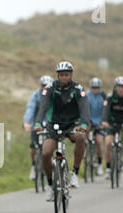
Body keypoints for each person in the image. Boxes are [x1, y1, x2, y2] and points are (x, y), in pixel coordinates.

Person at [34, 61, 90, 201]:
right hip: (54, 124)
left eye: (67, 75)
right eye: (61, 75)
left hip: (72, 124)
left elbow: (84, 106)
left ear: (71, 75)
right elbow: (43, 105)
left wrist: (84, 123)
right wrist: (38, 122)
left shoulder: (78, 88)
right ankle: (50, 185)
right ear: (58, 76)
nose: (64, 77)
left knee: (81, 138)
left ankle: (75, 173)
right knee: (46, 152)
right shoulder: (51, 87)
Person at [23, 75, 53, 181]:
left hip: (50, 123)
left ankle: (54, 162)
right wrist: (27, 122)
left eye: (47, 86)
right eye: (43, 86)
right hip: (37, 123)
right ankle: (34, 166)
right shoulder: (36, 95)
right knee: (33, 146)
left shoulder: (54, 95)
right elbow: (30, 108)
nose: (45, 88)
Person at [86, 77, 107, 176]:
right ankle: (85, 146)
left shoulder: (103, 95)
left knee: (99, 141)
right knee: (86, 128)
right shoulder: (86, 95)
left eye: (97, 87)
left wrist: (104, 122)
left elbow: (106, 109)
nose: (95, 89)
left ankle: (99, 164)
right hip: (89, 119)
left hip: (100, 121)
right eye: (93, 87)